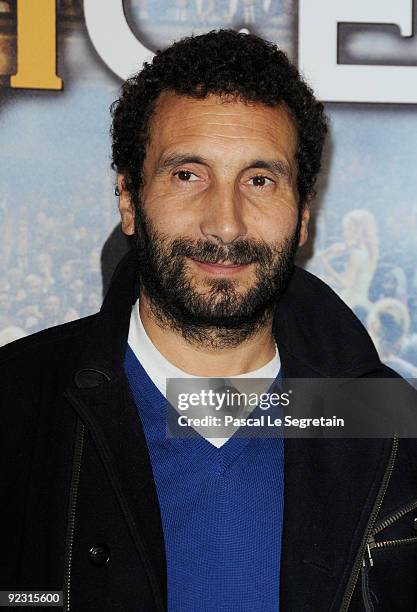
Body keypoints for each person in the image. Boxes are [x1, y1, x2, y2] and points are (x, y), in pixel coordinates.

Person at [1, 29, 417, 612]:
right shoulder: (16, 403)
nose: (225, 224)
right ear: (128, 197)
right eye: (187, 175)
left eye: (259, 180)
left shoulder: (394, 427)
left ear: (303, 215)